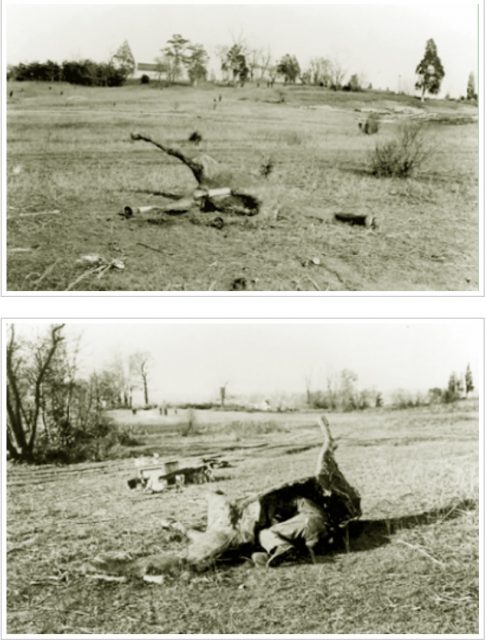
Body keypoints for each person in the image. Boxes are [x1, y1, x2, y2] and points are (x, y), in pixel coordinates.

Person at [253, 496, 334, 568]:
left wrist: (276, 517)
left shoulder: (297, 499)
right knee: (290, 546)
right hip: (319, 536)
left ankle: (281, 549)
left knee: (265, 533)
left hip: (309, 521)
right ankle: (275, 556)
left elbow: (285, 508)